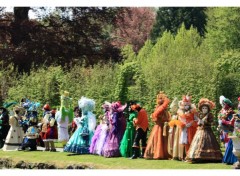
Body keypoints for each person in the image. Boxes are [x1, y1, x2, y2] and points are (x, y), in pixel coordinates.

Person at [185, 98, 223, 163]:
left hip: (208, 131)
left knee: (208, 144)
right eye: (203, 108)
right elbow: (198, 123)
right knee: (197, 144)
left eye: (205, 108)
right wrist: (199, 122)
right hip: (199, 131)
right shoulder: (200, 114)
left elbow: (211, 123)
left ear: (208, 109)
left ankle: (209, 158)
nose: (204, 109)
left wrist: (204, 122)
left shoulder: (210, 115)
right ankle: (196, 157)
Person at [144, 91, 171, 159]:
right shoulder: (160, 109)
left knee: (161, 140)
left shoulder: (163, 109)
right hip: (159, 126)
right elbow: (156, 116)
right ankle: (157, 153)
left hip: (162, 126)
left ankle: (161, 153)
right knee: (158, 139)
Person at [218, 96, 238, 164]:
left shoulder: (231, 112)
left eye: (224, 104)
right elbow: (221, 119)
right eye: (223, 104)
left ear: (227, 105)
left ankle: (232, 159)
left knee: (230, 143)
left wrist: (224, 122)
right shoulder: (222, 111)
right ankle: (228, 159)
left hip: (230, 130)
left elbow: (231, 122)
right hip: (224, 129)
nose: (223, 105)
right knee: (226, 143)